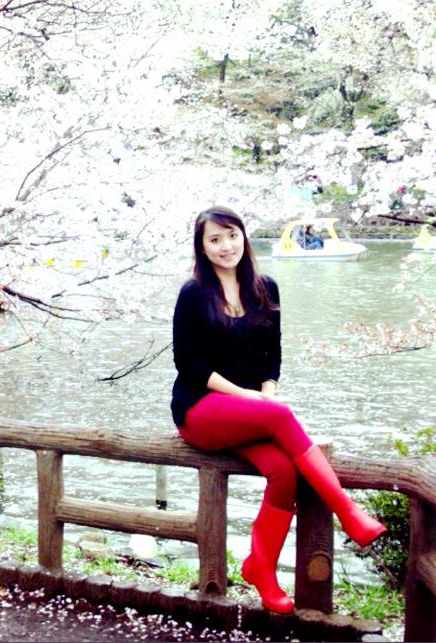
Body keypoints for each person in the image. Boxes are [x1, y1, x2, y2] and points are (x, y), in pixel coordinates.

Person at [171, 206, 385, 614]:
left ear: (244, 237)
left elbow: (273, 353)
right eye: (214, 239)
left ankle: (260, 569)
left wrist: (267, 390)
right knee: (281, 416)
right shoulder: (194, 293)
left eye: (231, 235)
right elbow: (188, 363)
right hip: (199, 409)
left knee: (284, 472)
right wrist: (246, 396)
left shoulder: (265, 287)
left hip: (250, 413)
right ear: (202, 247)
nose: (225, 246)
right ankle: (347, 511)